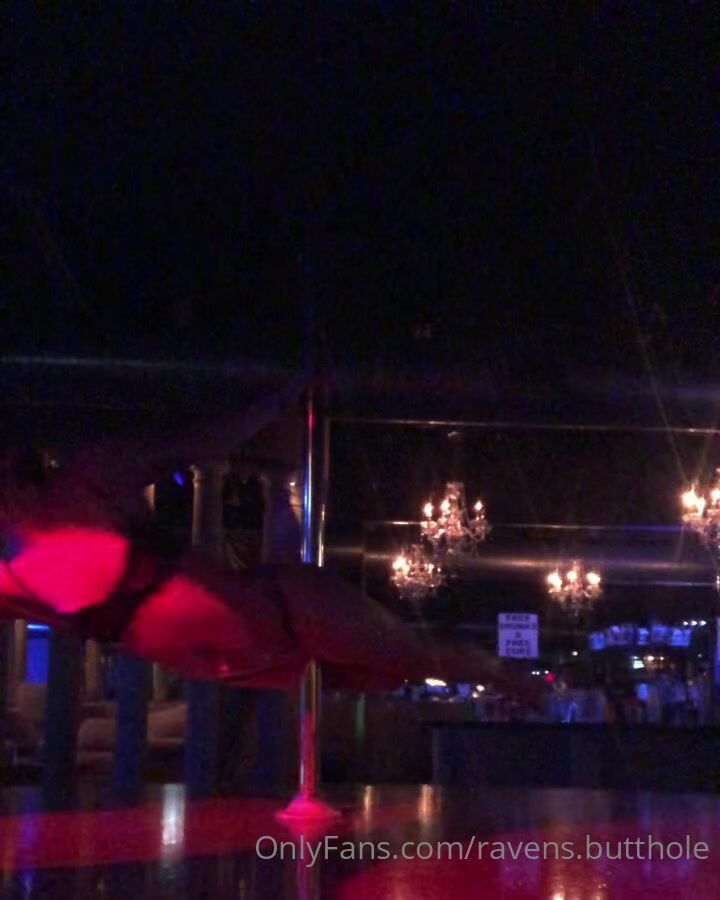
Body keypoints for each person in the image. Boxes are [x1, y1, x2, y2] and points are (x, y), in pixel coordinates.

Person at [0, 376, 521, 695]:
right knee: (397, 670)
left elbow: (199, 443)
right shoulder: (12, 579)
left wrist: (278, 401)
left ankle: (507, 674)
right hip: (248, 669)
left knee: (421, 658)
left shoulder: (87, 480)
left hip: (288, 611)